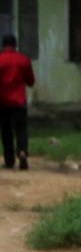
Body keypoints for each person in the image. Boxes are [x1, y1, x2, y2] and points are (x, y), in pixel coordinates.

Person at [0, 33, 32, 170]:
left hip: (2, 102)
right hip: (19, 101)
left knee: (6, 131)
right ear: (15, 45)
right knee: (21, 129)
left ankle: (9, 160)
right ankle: (22, 152)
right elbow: (30, 81)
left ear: (3, 45)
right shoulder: (23, 60)